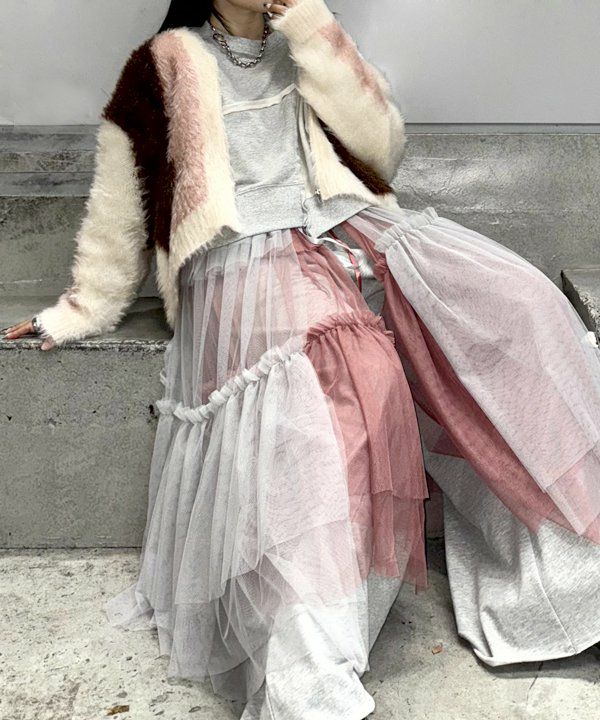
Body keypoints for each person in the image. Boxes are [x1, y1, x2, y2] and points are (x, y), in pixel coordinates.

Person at [3, 1, 600, 717]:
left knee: (516, 304)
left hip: (344, 224)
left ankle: (575, 582)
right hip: (241, 253)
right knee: (348, 369)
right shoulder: (164, 64)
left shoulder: (305, 40)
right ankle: (310, 672)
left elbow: (382, 150)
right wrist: (79, 309)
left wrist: (316, 36)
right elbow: (121, 202)